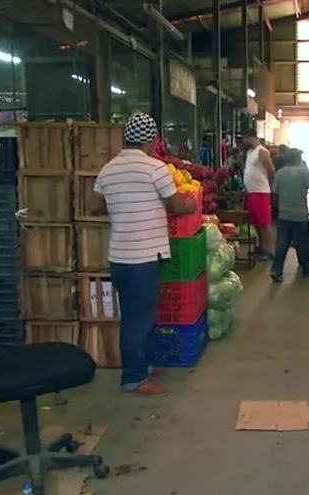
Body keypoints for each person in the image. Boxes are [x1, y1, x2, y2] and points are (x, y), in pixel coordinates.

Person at [89, 113, 196, 396]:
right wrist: (189, 205)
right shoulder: (155, 168)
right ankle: (133, 378)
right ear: (152, 140)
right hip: (143, 257)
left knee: (138, 315)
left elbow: (95, 205)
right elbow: (175, 204)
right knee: (139, 320)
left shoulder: (108, 169)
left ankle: (144, 365)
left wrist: (123, 204)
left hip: (119, 256)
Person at [270, 149, 309, 283]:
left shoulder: (280, 173)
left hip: (284, 215)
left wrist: (277, 210)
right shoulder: (304, 172)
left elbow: (275, 194)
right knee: (302, 244)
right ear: (297, 159)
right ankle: (306, 268)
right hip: (300, 215)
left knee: (281, 244)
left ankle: (276, 270)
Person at [242, 128, 276, 260]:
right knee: (256, 222)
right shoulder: (250, 152)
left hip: (261, 192)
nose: (244, 141)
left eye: (245, 139)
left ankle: (269, 251)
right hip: (252, 192)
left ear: (252, 137)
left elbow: (271, 171)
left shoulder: (262, 152)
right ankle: (261, 248)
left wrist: (270, 187)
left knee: (265, 223)